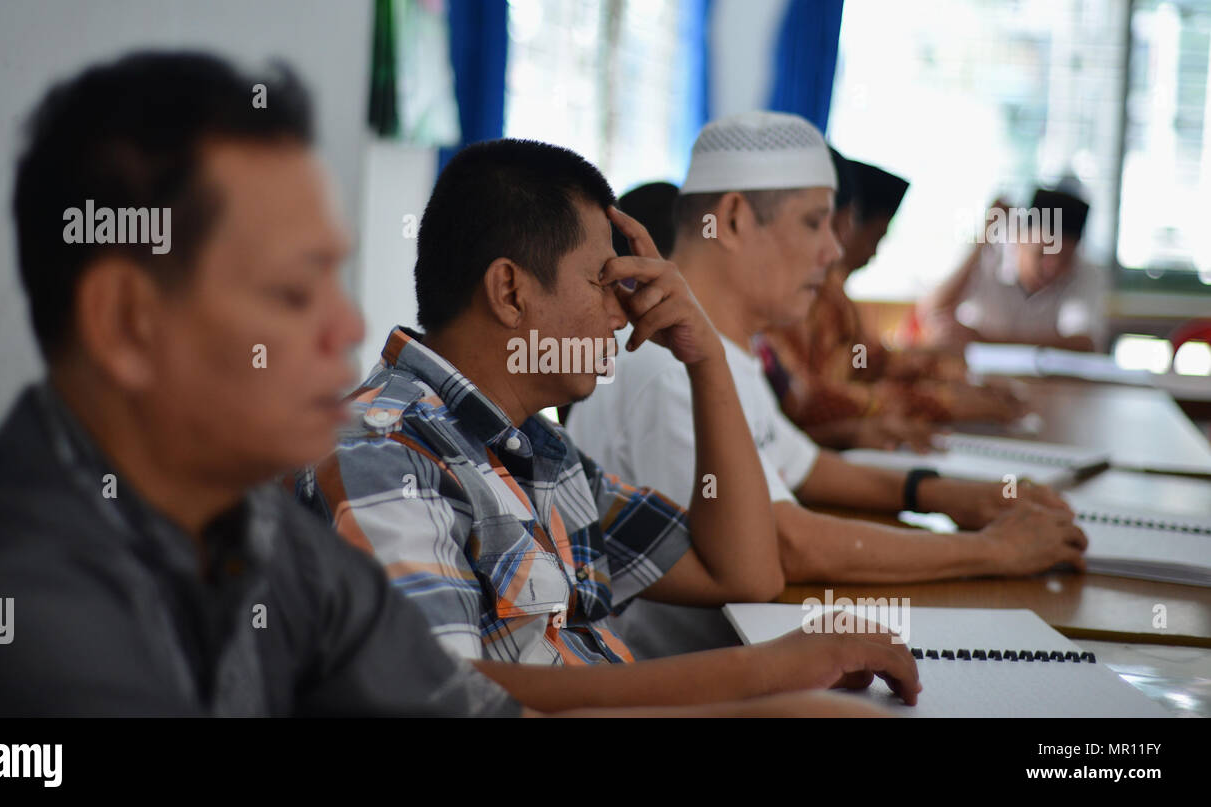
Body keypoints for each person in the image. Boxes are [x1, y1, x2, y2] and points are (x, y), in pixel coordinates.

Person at [0, 50, 524, 717]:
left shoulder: (252, 528)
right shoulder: (6, 612)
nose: (348, 325)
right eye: (293, 291)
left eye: (334, 281)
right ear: (126, 323)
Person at [299, 138, 920, 715]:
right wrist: (762, 679)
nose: (624, 314)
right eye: (605, 280)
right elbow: (442, 694)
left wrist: (705, 357)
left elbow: (746, 573)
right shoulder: (385, 451)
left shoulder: (541, 452)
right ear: (510, 292)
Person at [566, 112, 1088, 658]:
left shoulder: (726, 351)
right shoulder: (664, 362)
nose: (834, 250)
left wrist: (949, 494)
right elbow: (785, 540)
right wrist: (990, 552)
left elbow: (806, 465)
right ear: (736, 219)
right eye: (815, 223)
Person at [762, 156, 1026, 448]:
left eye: (837, 231)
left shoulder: (829, 294)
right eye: (818, 226)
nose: (834, 249)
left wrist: (960, 383)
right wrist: (942, 402)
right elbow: (806, 400)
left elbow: (870, 361)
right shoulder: (776, 302)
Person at [918, 181, 1104, 352]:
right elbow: (932, 312)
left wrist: (983, 340)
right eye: (1042, 253)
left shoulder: (1084, 270)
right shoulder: (988, 256)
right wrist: (981, 241)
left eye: (1064, 259)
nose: (1052, 267)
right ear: (1019, 238)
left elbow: (1083, 343)